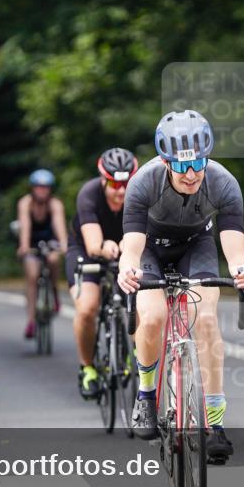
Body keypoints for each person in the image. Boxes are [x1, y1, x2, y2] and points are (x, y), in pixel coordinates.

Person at [117, 110, 244, 464]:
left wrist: (242, 268)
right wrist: (127, 269)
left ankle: (214, 425)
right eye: (181, 167)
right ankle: (146, 395)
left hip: (197, 245)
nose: (192, 173)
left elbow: (234, 246)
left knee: (205, 319)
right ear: (165, 163)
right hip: (150, 247)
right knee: (151, 318)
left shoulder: (223, 183)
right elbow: (131, 246)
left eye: (198, 163)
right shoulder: (143, 182)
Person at [65, 148, 139, 399]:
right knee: (87, 307)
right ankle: (87, 369)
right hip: (87, 249)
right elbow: (94, 243)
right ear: (103, 179)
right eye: (114, 183)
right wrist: (105, 247)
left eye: (126, 183)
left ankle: (133, 353)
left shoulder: (140, 195)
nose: (121, 190)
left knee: (142, 299)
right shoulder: (89, 194)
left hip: (126, 250)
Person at [16, 169, 68, 339]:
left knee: (53, 261)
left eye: (45, 188)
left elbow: (59, 226)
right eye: (38, 187)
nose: (42, 191)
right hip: (32, 242)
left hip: (50, 241)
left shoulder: (55, 204)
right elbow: (25, 227)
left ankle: (53, 292)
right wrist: (24, 246)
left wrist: (64, 245)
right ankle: (31, 321)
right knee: (32, 275)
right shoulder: (25, 203)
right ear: (32, 188)